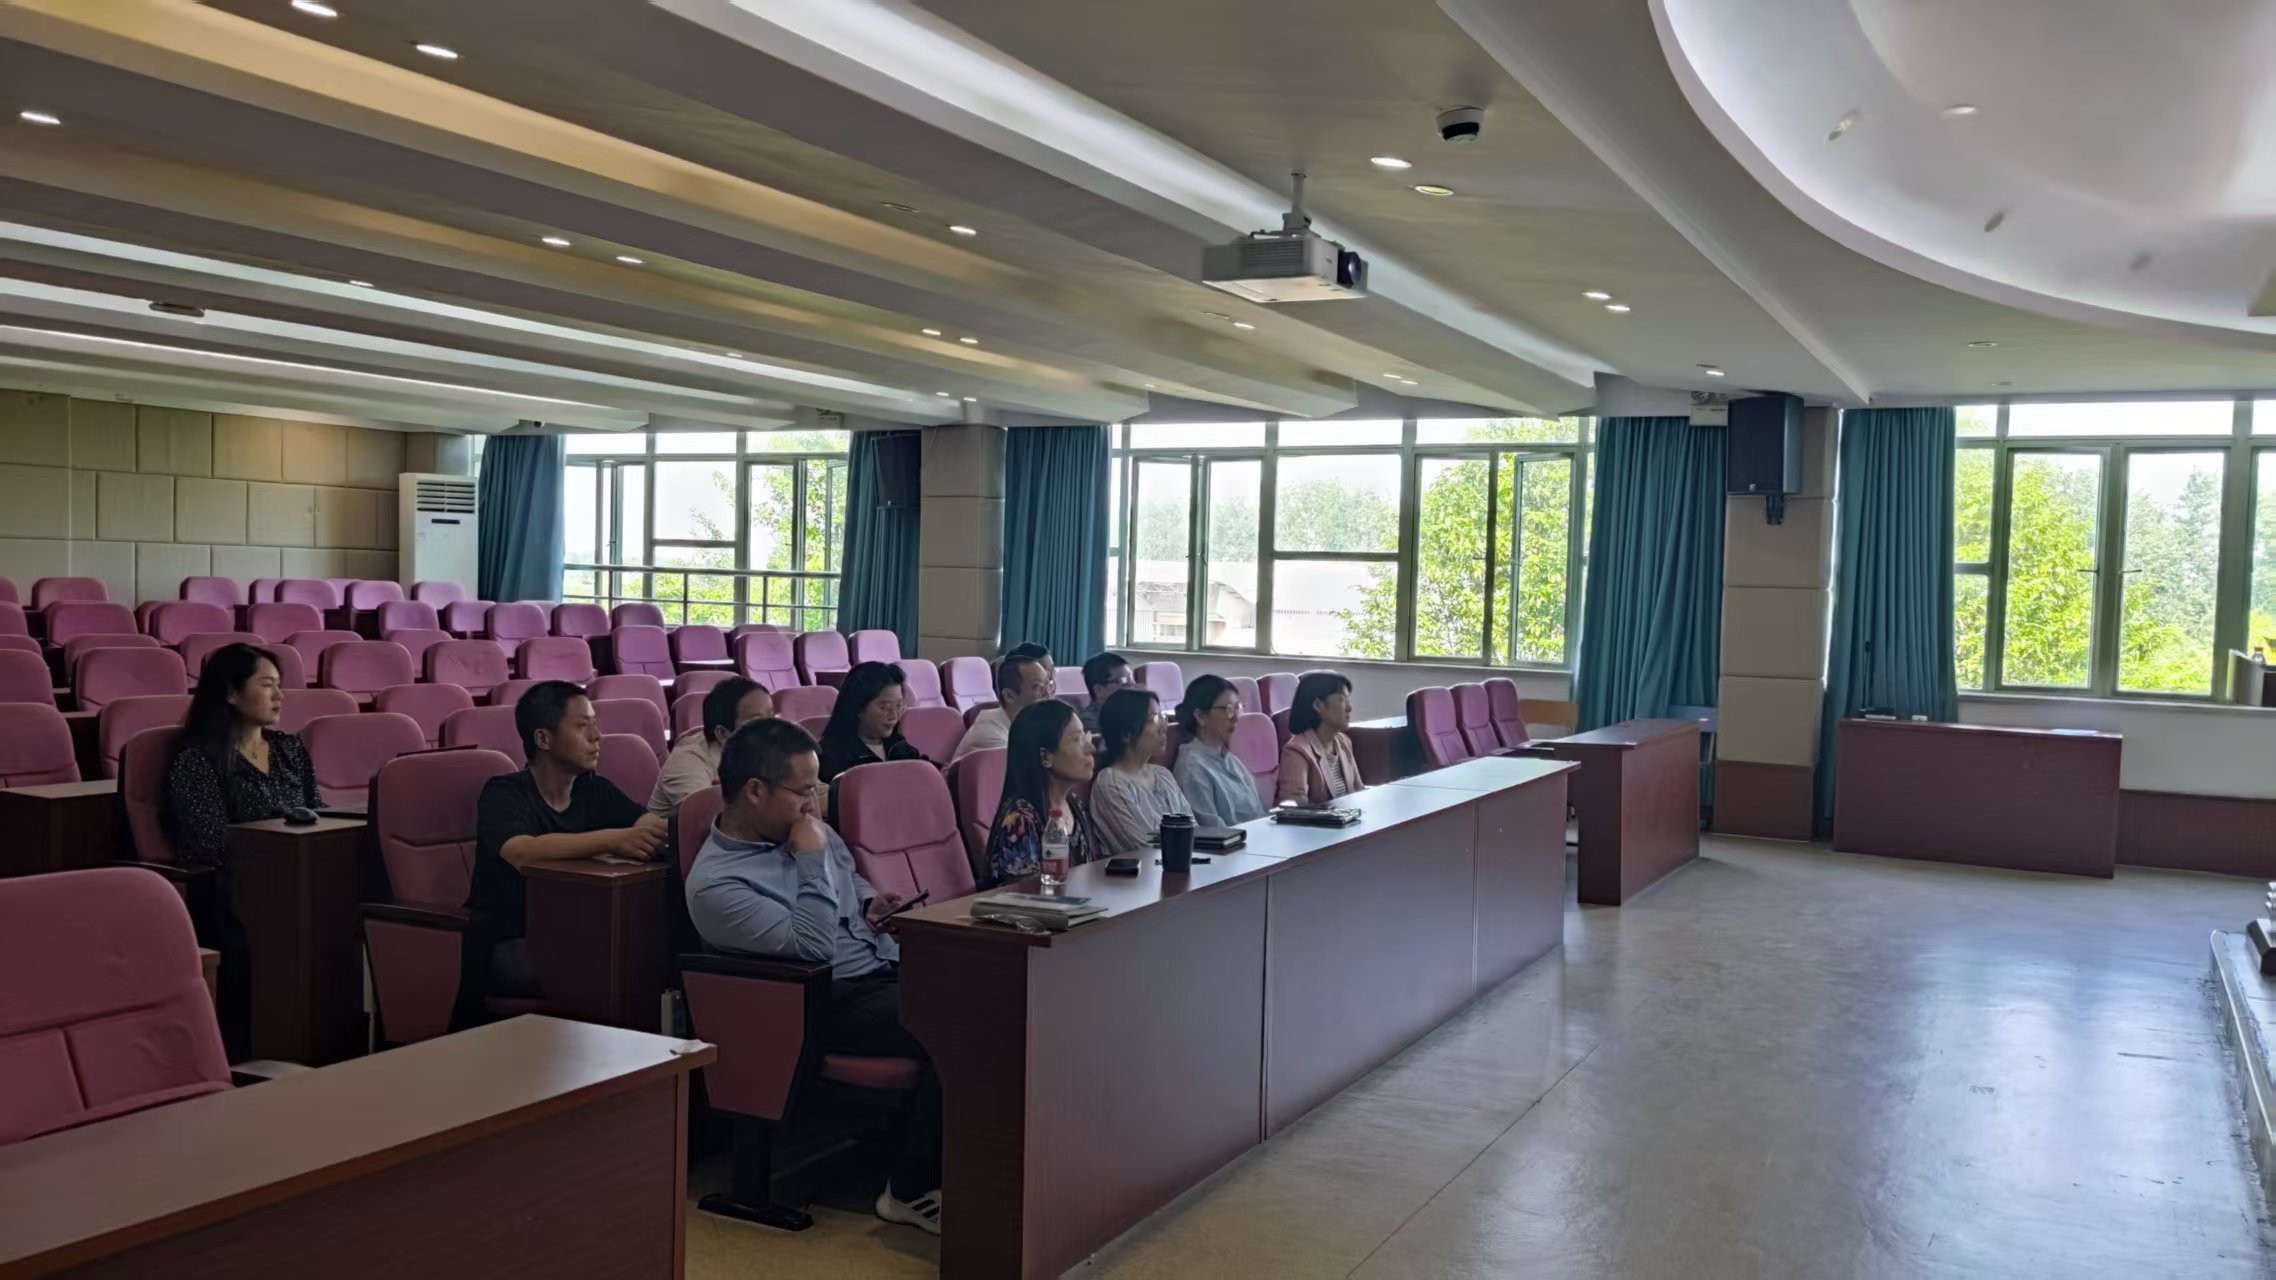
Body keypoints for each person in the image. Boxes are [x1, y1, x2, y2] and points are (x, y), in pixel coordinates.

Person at [685, 718, 942, 1235]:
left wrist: (869, 903)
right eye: (803, 790)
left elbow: (849, 877)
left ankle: (982, 1162)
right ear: (754, 791)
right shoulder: (716, 885)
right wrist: (810, 858)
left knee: (1000, 988)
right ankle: (911, 1188)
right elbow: (814, 949)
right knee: (964, 1019)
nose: (812, 803)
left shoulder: (804, 828)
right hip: (818, 1000)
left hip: (880, 966)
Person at [457, 682, 666, 1025]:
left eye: (596, 724)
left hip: (578, 932)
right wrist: (613, 840)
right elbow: (522, 851)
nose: (597, 736)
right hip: (511, 942)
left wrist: (649, 833)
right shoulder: (505, 793)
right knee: (614, 966)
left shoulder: (593, 788)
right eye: (582, 726)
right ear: (543, 739)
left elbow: (646, 822)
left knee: (651, 953)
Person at [163, 642, 319, 1059]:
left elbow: (318, 815)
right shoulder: (197, 760)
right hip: (230, 890)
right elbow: (210, 842)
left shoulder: (290, 749)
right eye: (267, 685)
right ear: (232, 693)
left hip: (293, 883)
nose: (279, 695)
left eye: (280, 685)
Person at [982, 699, 1102, 885]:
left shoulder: (1073, 803)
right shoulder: (1020, 818)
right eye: (1077, 740)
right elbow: (1028, 895)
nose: (1091, 748)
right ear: (1045, 757)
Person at [1086, 687, 1192, 855]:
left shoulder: (1163, 775)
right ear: (1126, 734)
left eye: (1162, 717)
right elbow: (1142, 848)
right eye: (1154, 719)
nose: (1164, 727)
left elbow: (1193, 831)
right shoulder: (1111, 783)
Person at [648, 676, 773, 817]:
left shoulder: (769, 752)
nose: (772, 728)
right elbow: (705, 819)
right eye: (757, 721)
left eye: (771, 716)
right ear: (723, 734)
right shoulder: (688, 760)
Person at [1171, 673, 1266, 827]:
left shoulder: (1230, 758)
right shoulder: (1192, 768)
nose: (1235, 717)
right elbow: (1213, 831)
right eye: (1228, 710)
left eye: (1237, 709)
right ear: (1201, 716)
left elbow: (1258, 814)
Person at [816, 661, 926, 782]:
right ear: (858, 707)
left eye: (899, 705)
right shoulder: (832, 757)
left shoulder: (898, 746)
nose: (894, 715)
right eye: (885, 707)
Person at [950, 651, 1054, 764]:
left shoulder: (1029, 724)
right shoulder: (992, 738)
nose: (1048, 694)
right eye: (1038, 687)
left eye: (1048, 685)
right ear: (1009, 696)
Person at [1277, 670, 1364, 804]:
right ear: (1318, 706)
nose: (1349, 708)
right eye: (1342, 700)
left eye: (1349, 700)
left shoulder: (1344, 742)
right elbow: (1294, 807)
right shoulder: (1296, 751)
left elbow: (1359, 791)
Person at [1079, 652, 1132, 732]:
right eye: (1122, 680)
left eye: (1130, 678)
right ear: (1099, 690)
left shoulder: (1133, 712)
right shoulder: (1089, 721)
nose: (1131, 685)